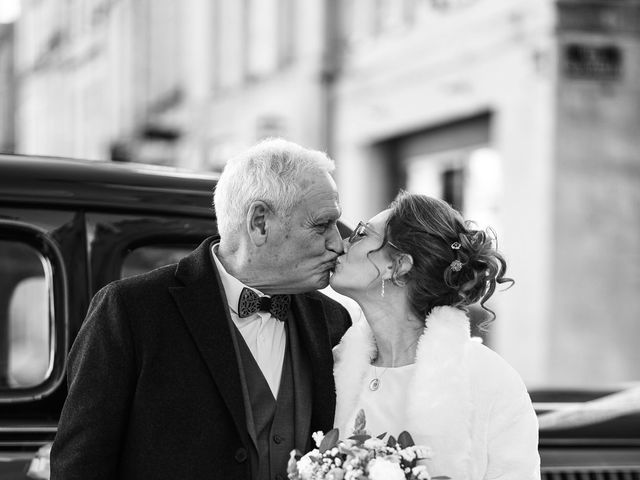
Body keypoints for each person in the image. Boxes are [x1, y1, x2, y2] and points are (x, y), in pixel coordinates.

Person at [50, 138, 352, 480]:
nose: (337, 244)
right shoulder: (130, 311)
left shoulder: (332, 320)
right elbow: (79, 466)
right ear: (260, 223)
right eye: (321, 225)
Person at [330, 192, 540, 480]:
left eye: (361, 235)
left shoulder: (491, 381)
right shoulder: (332, 363)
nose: (341, 244)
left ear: (397, 266)